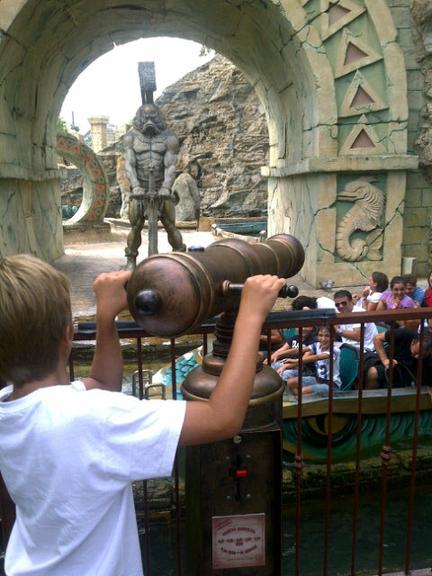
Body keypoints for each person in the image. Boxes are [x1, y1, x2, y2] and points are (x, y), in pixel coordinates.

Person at [0, 254, 286, 576]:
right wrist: (249, 316)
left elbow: (104, 385)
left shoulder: (9, 406)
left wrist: (105, 317)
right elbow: (222, 418)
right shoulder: (88, 419)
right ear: (67, 336)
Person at [123, 102, 186, 268]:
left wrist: (166, 186)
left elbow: (171, 165)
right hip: (140, 189)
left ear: (158, 117)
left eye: (153, 116)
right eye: (146, 116)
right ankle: (131, 260)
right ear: (140, 117)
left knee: (170, 226)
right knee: (135, 226)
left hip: (161, 189)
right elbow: (129, 164)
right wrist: (135, 185)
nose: (149, 120)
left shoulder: (169, 138)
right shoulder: (131, 137)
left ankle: (180, 257)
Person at [365, 327, 432, 389]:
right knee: (373, 373)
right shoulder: (405, 334)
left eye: (422, 356)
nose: (417, 357)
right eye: (416, 352)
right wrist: (385, 360)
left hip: (414, 372)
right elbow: (377, 338)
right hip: (393, 364)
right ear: (413, 342)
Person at [285, 326, 341, 395]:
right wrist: (278, 354)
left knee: (304, 391)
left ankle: (302, 401)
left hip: (332, 384)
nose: (323, 339)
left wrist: (297, 361)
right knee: (291, 382)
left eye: (327, 336)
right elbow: (297, 350)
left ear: (333, 337)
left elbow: (317, 357)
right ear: (317, 336)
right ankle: (302, 402)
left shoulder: (335, 350)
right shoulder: (316, 345)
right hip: (319, 379)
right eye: (320, 335)